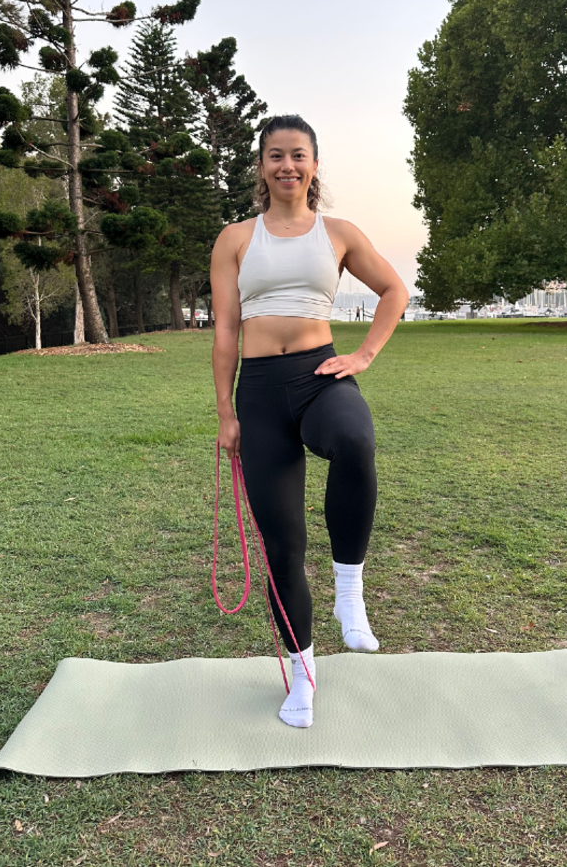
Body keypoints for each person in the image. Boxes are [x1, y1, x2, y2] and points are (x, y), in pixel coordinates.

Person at [209, 114, 407, 728]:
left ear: (314, 165)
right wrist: (225, 410)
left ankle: (351, 593)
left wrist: (363, 355)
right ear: (261, 166)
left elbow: (393, 290)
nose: (287, 165)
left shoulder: (338, 233)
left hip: (322, 375)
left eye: (298, 155)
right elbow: (224, 330)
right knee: (283, 545)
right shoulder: (235, 238)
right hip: (261, 391)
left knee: (354, 440)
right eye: (275, 155)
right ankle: (301, 677)